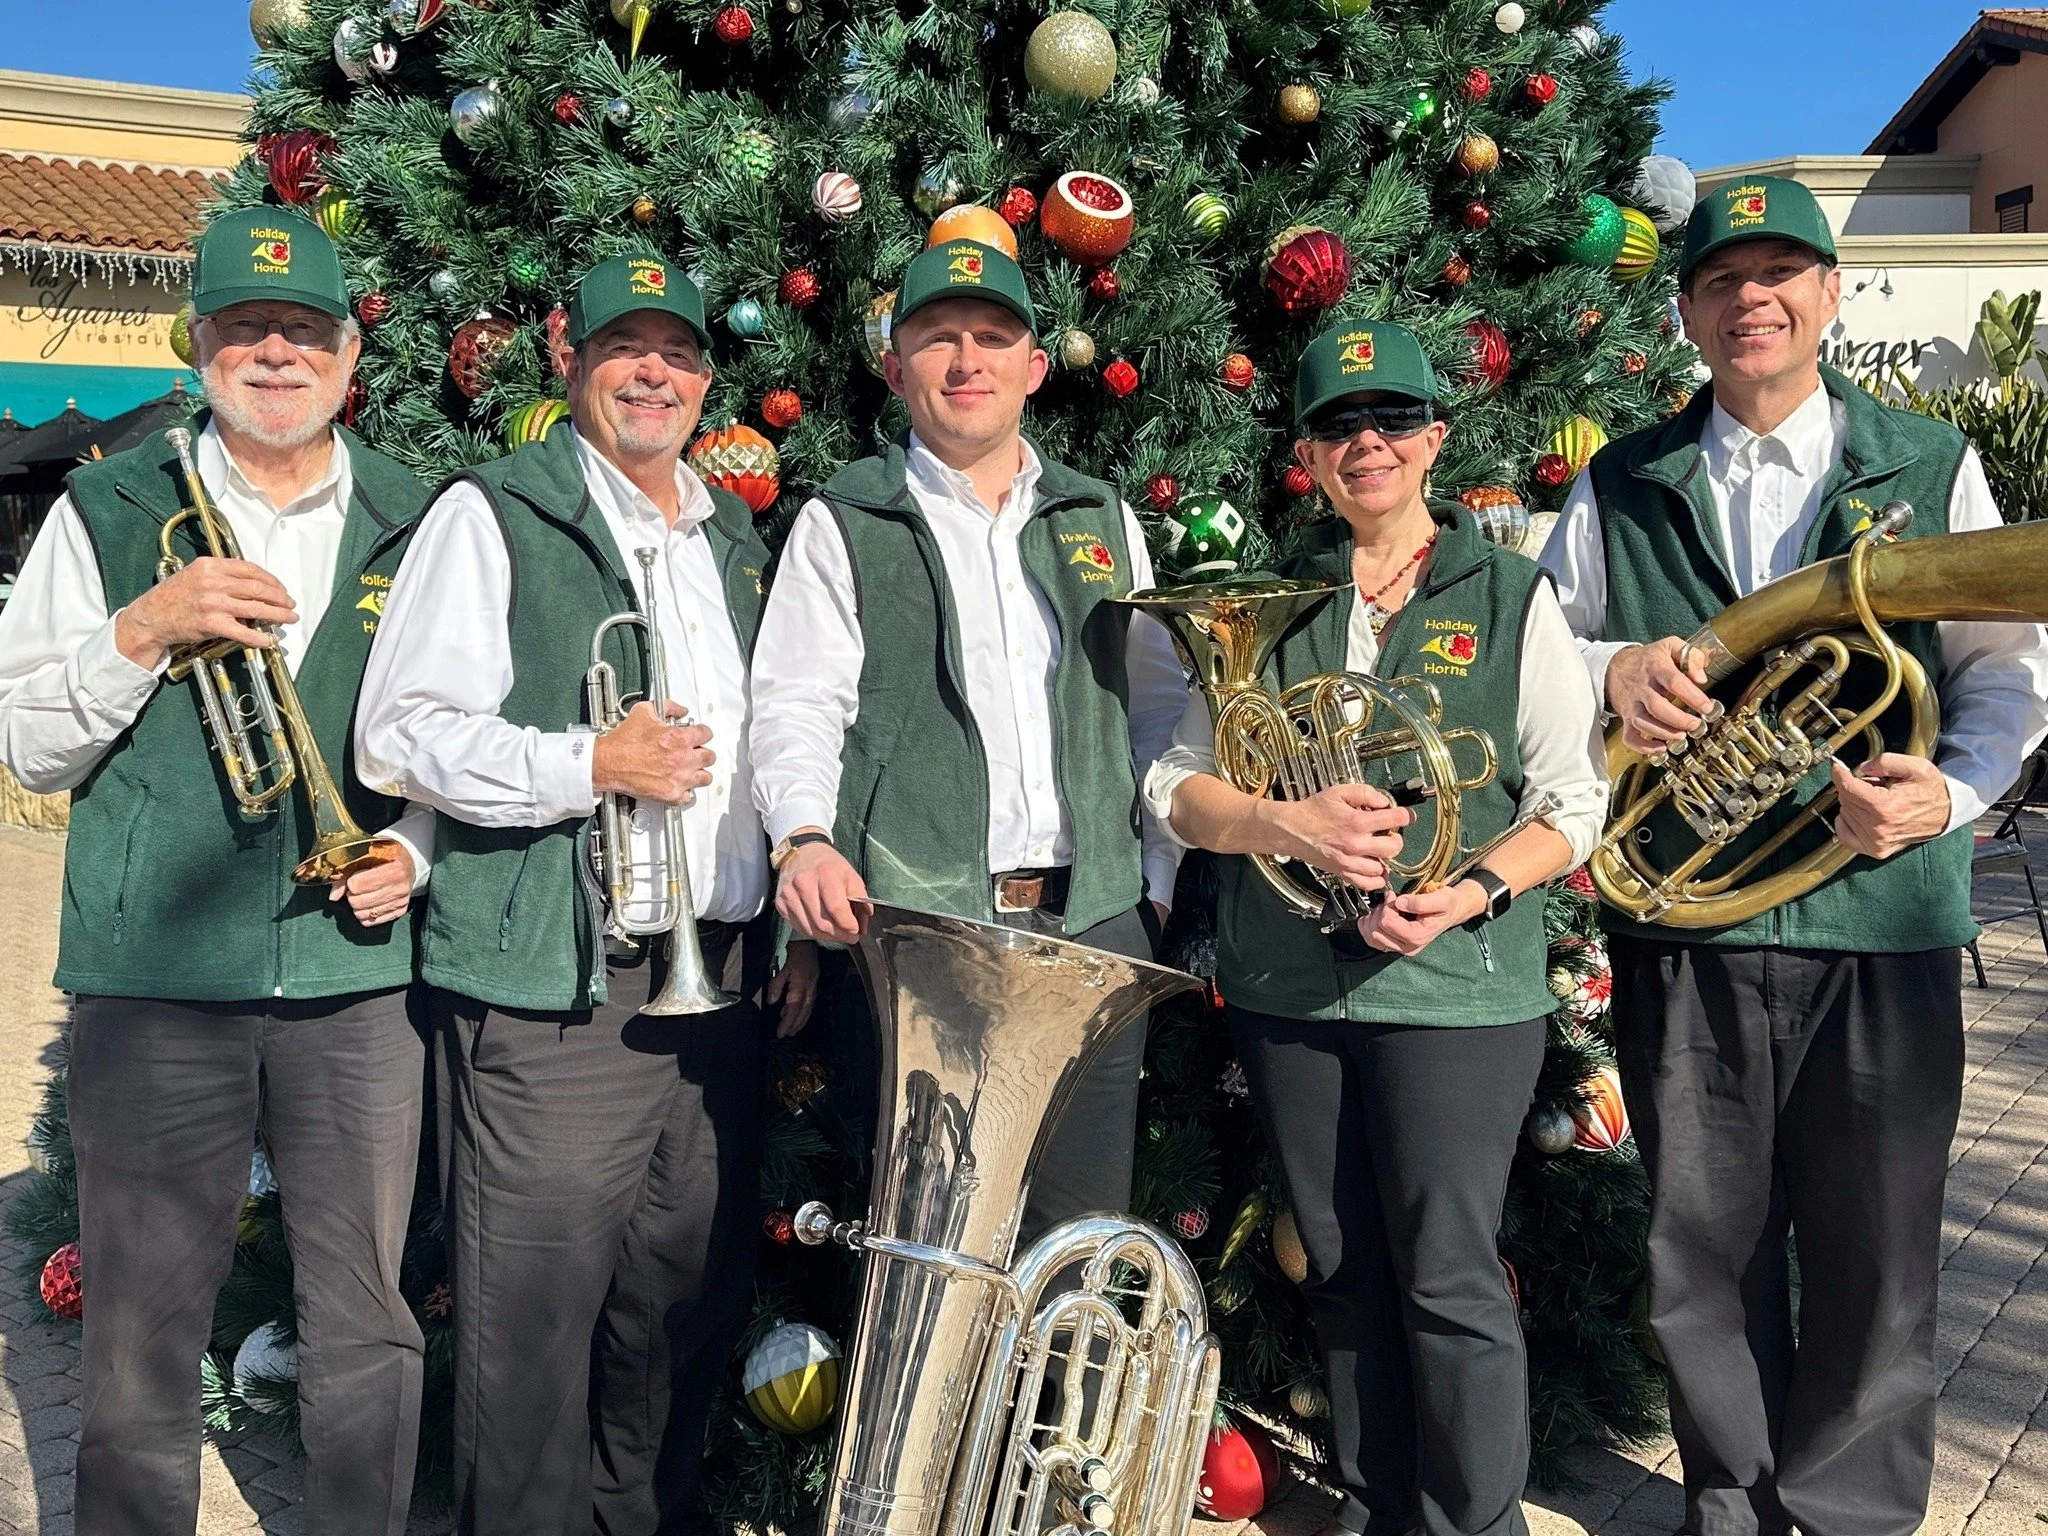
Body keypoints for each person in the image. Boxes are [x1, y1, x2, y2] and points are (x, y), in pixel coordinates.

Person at [1540, 174, 2048, 1536]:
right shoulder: (1620, 480)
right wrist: (1612, 672)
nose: (1751, 297)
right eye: (1722, 279)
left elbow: (2010, 668)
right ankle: (1729, 1500)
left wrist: (1952, 793)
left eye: (1781, 273)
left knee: (1879, 1249)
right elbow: (1543, 663)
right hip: (1689, 926)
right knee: (1699, 1245)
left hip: (1881, 917)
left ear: (1831, 295)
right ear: (1689, 313)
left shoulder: (1929, 463)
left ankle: (1852, 1516)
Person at [354, 253, 815, 1536]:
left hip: (716, 980)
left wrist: (779, 923)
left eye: (674, 350)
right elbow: (400, 734)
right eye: (624, 347)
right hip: (562, 994)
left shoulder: (735, 537)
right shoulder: (494, 510)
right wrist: (586, 761)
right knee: (532, 1339)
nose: (651, 371)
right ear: (572, 358)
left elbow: (772, 747)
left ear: (707, 378)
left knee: (677, 1318)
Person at [0, 207, 434, 1536]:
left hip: (356, 987)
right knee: (140, 1339)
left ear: (350, 358)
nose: (276, 352)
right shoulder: (114, 506)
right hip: (155, 982)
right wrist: (143, 629)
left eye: (304, 330)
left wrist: (413, 849)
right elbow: (24, 741)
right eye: (246, 328)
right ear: (199, 350)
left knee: (367, 1329)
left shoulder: (424, 517)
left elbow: (463, 740)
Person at [1147, 320, 1607, 1536]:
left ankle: (1469, 1522)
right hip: (1290, 987)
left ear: (1434, 440)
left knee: (1449, 1275)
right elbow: (1176, 790)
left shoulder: (1509, 593)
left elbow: (1572, 802)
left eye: (1392, 420)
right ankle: (1374, 1506)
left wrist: (1469, 892)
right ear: (1305, 452)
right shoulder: (1269, 600)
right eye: (1340, 425)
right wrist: (1280, 825)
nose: (1368, 443)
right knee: (1341, 1268)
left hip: (1459, 992)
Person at [749, 237, 1189, 1241]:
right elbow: (796, 704)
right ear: (894, 365)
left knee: (1077, 1241)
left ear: (1034, 368)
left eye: (992, 338)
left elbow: (1163, 710)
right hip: (926, 934)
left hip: (1093, 929)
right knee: (929, 1248)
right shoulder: (847, 518)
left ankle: (1053, 1408)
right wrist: (805, 838)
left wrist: (1152, 886)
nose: (965, 361)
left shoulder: (1101, 516)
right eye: (936, 338)